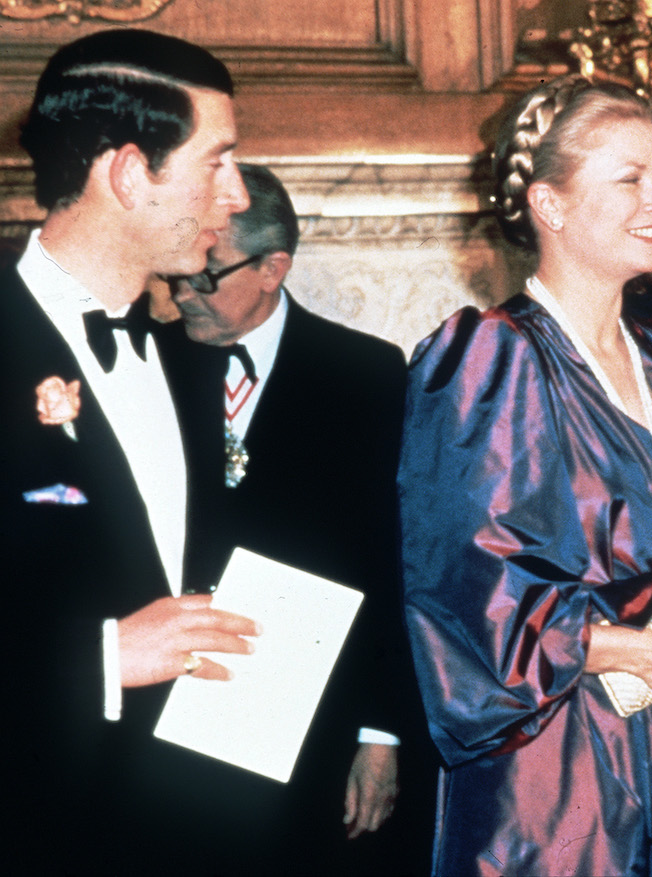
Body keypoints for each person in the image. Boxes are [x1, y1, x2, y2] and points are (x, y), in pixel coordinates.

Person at [399, 74, 652, 876]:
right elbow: (468, 592)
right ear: (550, 204)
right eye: (628, 179)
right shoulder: (489, 358)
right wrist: (641, 652)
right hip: (558, 765)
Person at [0, 29, 261, 873]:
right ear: (127, 173)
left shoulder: (192, 364)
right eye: (216, 162)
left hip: (185, 828)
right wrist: (105, 656)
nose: (237, 194)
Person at [165, 163, 432, 875]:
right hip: (174, 715)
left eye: (207, 273)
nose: (184, 289)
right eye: (179, 269)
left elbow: (392, 561)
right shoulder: (149, 362)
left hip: (320, 723)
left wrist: (381, 733)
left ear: (273, 267)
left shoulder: (367, 375)